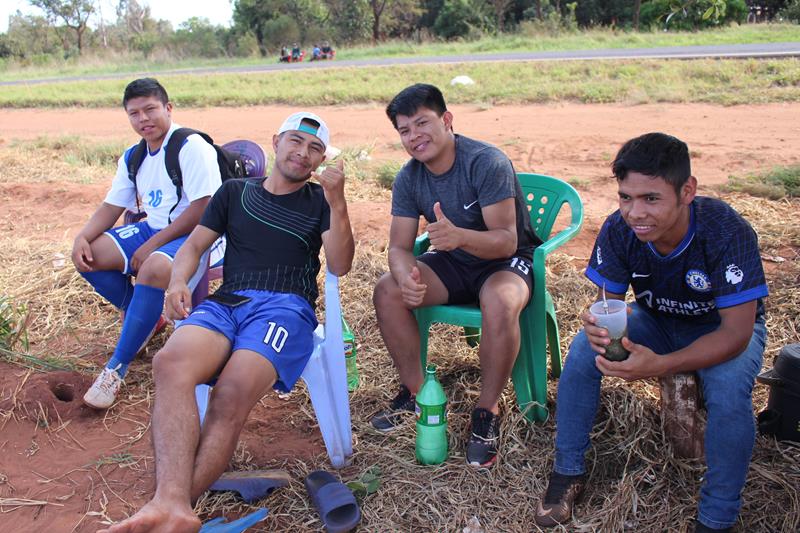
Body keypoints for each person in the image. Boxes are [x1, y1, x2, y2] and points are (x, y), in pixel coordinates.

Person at [99, 112, 354, 533]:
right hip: (227, 303)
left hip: (285, 309)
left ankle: (167, 507)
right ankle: (173, 508)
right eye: (295, 141)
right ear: (275, 141)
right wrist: (178, 280)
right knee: (170, 364)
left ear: (321, 159)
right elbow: (195, 245)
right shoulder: (234, 192)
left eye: (314, 149)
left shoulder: (320, 202)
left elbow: (341, 265)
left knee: (230, 393)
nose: (302, 153)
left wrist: (338, 200)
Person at [534, 133, 769, 532]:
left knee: (729, 395)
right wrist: (598, 332)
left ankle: (718, 514)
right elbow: (608, 302)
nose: (634, 212)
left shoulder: (726, 231)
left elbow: (737, 334)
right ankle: (567, 471)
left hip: (720, 328)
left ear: (687, 191)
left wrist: (662, 364)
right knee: (581, 352)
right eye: (626, 197)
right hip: (655, 319)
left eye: (651, 199)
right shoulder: (618, 228)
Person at [371, 83, 541, 468]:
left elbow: (505, 241)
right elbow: (398, 247)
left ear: (446, 120)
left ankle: (487, 412)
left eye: (422, 123)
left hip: (505, 261)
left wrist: (459, 236)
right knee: (387, 291)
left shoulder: (485, 161)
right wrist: (406, 278)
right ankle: (418, 396)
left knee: (499, 300)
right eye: (404, 130)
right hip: (452, 259)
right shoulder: (409, 177)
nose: (415, 137)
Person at [72, 78, 221, 410]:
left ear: (168, 108)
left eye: (150, 109)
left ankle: (116, 368)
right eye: (134, 113)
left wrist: (153, 242)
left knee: (153, 265)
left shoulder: (190, 145)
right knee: (89, 257)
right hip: (156, 229)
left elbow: (203, 208)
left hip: (201, 233)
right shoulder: (134, 156)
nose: (143, 119)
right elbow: (113, 206)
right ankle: (148, 314)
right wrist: (81, 236)